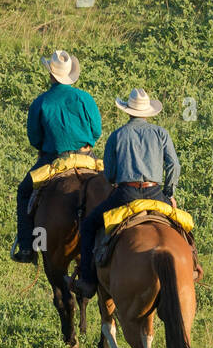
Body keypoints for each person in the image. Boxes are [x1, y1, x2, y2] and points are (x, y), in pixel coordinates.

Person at [72, 88, 180, 299]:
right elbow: (174, 165)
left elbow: (110, 175)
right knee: (180, 226)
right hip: (156, 193)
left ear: (128, 111)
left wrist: (116, 180)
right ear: (148, 112)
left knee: (89, 225)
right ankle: (193, 264)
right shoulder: (161, 134)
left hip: (125, 195)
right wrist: (169, 192)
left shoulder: (118, 135)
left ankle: (87, 280)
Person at [11, 50, 103, 263]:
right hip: (86, 155)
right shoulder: (84, 98)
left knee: (24, 192)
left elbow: (34, 137)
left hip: (53, 159)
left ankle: (28, 246)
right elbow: (96, 131)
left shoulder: (40, 102)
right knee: (109, 190)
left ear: (50, 74)